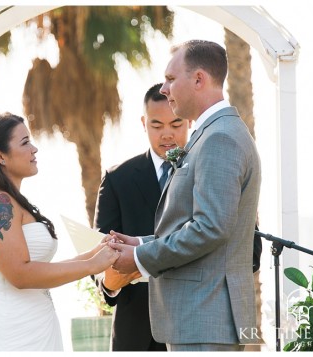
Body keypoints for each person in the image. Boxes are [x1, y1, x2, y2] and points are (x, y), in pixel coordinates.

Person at [109, 40, 262, 351]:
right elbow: (195, 225)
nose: (164, 89)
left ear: (198, 79)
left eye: (170, 78)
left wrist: (139, 258)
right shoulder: (211, 135)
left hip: (206, 318)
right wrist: (139, 242)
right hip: (199, 319)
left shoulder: (219, 138)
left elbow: (210, 229)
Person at [0, 111, 120, 351]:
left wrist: (97, 253)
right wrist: (91, 266)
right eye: (25, 142)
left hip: (34, 327)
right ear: (0, 155)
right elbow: (20, 274)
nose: (34, 149)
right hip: (7, 334)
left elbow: (35, 266)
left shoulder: (10, 201)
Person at [93, 83, 191, 351]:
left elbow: (247, 250)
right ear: (143, 123)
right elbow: (98, 253)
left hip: (196, 326)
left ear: (189, 120)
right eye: (157, 125)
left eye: (176, 124)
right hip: (136, 334)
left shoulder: (210, 172)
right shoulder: (117, 179)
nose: (167, 134)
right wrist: (110, 285)